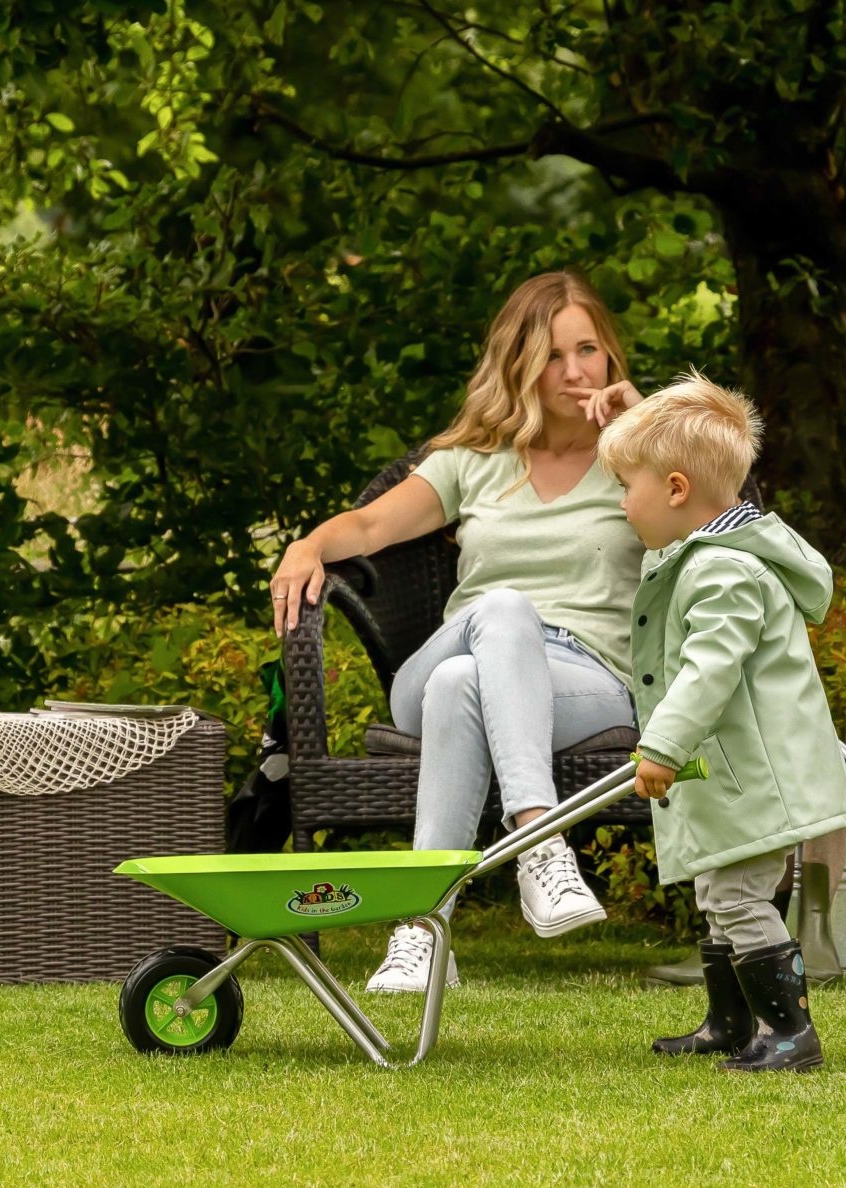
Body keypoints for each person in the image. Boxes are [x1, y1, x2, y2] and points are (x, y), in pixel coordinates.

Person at [269, 271, 645, 993]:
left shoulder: (637, 458)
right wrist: (307, 545)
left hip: (588, 682)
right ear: (520, 366)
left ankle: (421, 929)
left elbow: (713, 500)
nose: (574, 371)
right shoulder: (473, 460)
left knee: (459, 686)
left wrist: (648, 420)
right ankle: (540, 841)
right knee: (501, 615)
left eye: (588, 350)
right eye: (553, 354)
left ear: (610, 358)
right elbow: (372, 526)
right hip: (470, 637)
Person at [597, 373, 846, 1072]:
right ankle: (730, 1023)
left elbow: (709, 670)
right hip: (734, 774)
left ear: (676, 490)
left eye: (626, 485)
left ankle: (790, 1033)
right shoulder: (705, 563)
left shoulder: (725, 573)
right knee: (719, 889)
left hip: (757, 778)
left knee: (736, 895)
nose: (622, 504)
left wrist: (664, 744)